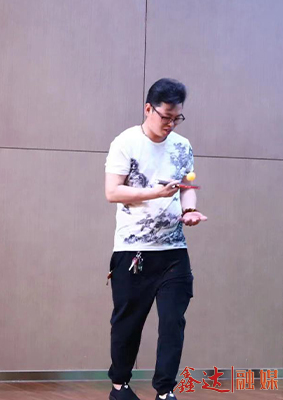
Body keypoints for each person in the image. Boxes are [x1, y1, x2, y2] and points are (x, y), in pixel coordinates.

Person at [104, 78, 207, 400]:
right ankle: (120, 386)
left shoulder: (182, 146)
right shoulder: (125, 142)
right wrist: (155, 193)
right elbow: (112, 192)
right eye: (166, 117)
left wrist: (189, 211)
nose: (171, 124)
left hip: (173, 251)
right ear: (148, 109)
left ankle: (165, 391)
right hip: (134, 252)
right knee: (128, 324)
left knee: (173, 322)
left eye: (177, 118)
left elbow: (186, 188)